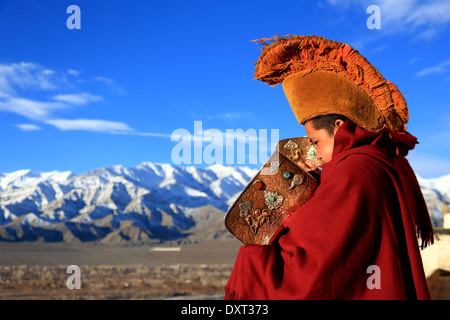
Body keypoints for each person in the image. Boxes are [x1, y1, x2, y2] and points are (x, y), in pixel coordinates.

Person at [225, 35, 434, 300]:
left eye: (316, 142)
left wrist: (253, 261)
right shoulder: (372, 162)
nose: (316, 153)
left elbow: (314, 268)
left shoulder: (352, 171)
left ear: (338, 127)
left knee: (251, 259)